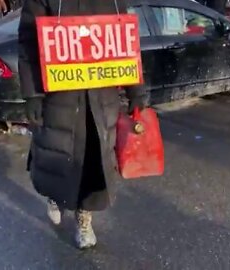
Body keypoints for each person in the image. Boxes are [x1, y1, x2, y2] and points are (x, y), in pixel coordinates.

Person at [18, 0, 147, 249]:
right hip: (60, 96)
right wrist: (32, 94)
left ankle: (84, 218)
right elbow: (28, 44)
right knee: (57, 153)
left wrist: (136, 91)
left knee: (93, 163)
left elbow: (126, 44)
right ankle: (55, 195)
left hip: (102, 98)